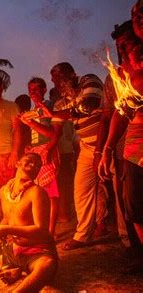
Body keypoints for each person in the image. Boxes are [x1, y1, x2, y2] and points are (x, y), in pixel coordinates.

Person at [41, 62, 109, 250]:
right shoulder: (62, 101)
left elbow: (89, 105)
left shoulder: (89, 81)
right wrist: (33, 124)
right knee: (81, 189)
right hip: (87, 147)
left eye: (57, 77)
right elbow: (56, 129)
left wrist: (57, 113)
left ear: (70, 74)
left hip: (109, 142)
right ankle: (82, 236)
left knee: (119, 189)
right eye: (53, 78)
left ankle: (128, 237)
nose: (54, 81)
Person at [98, 1, 143, 273]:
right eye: (136, 14)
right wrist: (106, 149)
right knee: (136, 210)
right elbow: (120, 111)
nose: (140, 18)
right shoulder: (124, 72)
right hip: (134, 147)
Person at [0, 153, 58, 292]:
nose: (34, 165)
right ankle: (7, 269)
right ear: (17, 163)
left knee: (47, 266)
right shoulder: (4, 191)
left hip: (36, 252)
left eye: (37, 165)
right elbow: (7, 218)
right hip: (13, 249)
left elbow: (41, 230)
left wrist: (6, 229)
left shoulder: (37, 192)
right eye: (29, 161)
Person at [19, 77, 60, 238]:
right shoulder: (32, 111)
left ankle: (50, 231)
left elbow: (53, 134)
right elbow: (35, 135)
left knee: (52, 194)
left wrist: (31, 124)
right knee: (38, 193)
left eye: (36, 89)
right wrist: (29, 146)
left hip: (48, 152)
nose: (32, 92)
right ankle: (40, 229)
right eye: (30, 90)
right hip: (36, 153)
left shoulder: (49, 106)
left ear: (44, 90)